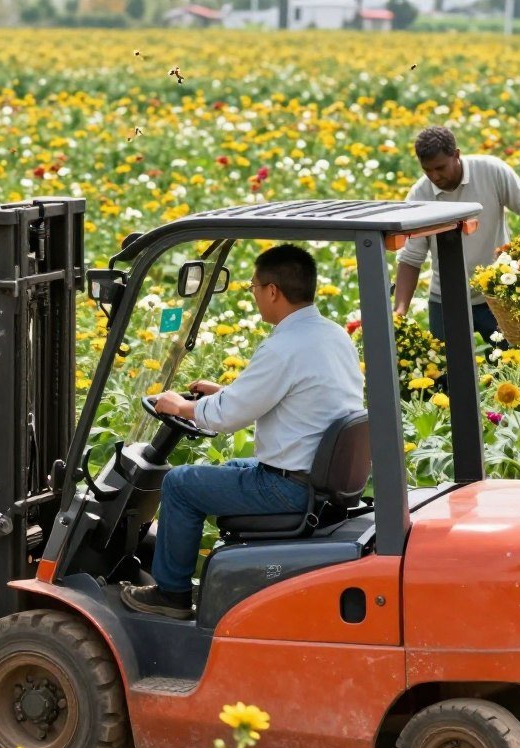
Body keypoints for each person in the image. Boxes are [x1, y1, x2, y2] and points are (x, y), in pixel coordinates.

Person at [120, 245, 364, 619]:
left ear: (272, 291)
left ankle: (171, 595)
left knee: (180, 484)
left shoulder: (284, 346)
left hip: (288, 489)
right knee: (233, 466)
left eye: (253, 287)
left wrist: (180, 406)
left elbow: (227, 418)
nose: (253, 295)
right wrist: (223, 394)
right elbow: (286, 397)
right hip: (311, 479)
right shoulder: (331, 335)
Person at [394, 125, 520, 345]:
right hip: (446, 299)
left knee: (514, 364)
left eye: (440, 168)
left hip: (498, 294)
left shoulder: (490, 170)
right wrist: (399, 311)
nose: (434, 176)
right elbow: (411, 259)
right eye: (427, 170)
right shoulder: (420, 194)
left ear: (456, 155)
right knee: (444, 374)